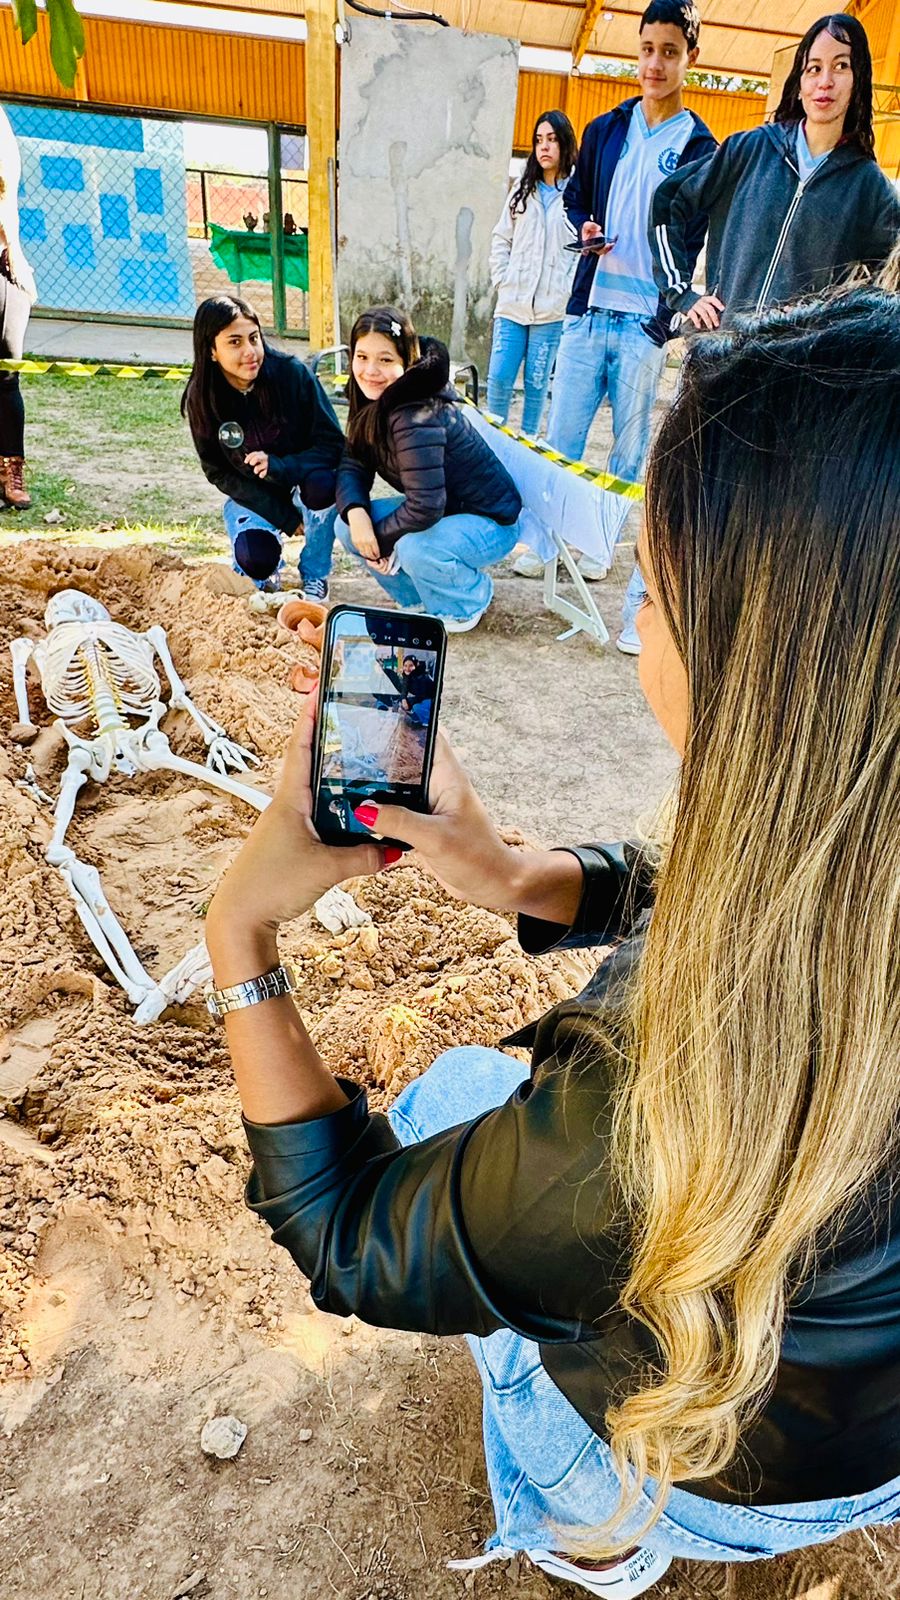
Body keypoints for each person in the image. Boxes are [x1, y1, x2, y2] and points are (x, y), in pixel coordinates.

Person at [204, 283, 900, 1598]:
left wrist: (238, 924)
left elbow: (346, 1236)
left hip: (700, 1469)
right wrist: (510, 871)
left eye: (653, 589)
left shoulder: (641, 1110)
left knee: (455, 1095)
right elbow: (739, 882)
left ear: (750, 659)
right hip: (876, 1455)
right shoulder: (861, 852)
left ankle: (601, 1532)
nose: (639, 619)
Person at [523, 0, 715, 655]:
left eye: (669, 50)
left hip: (642, 326)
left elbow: (689, 237)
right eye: (647, 50)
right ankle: (546, 548)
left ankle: (601, 551)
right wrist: (587, 230)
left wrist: (669, 313)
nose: (655, 64)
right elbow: (577, 200)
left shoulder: (700, 146)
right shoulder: (606, 129)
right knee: (561, 442)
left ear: (691, 56)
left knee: (629, 459)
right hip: (590, 309)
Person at [650, 12, 900, 335]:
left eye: (841, 66)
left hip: (794, 376)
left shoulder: (869, 188)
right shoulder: (749, 150)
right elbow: (668, 201)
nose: (825, 81)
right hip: (722, 360)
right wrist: (682, 293)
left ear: (858, 81)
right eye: (814, 68)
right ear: (799, 84)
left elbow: (889, 287)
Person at [333, 306, 523, 634]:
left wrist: (380, 538)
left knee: (414, 547)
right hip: (444, 509)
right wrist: (357, 513)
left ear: (407, 361)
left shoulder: (415, 413)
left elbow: (425, 505)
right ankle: (415, 599)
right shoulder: (370, 395)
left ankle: (470, 600)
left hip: (489, 521)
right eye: (362, 357)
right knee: (347, 527)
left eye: (385, 360)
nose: (370, 370)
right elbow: (354, 460)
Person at [182, 295, 344, 601]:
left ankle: (316, 572)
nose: (250, 352)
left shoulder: (292, 373)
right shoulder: (202, 396)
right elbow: (217, 471)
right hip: (256, 496)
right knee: (255, 560)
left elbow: (334, 445)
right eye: (234, 342)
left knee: (325, 484)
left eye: (253, 338)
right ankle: (267, 570)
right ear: (212, 351)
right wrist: (282, 516)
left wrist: (282, 466)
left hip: (305, 482)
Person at [487, 109, 579, 437]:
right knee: (498, 378)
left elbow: (582, 253)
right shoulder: (521, 191)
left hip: (550, 311)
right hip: (512, 305)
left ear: (565, 144)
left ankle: (527, 446)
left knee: (537, 384)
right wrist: (503, 279)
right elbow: (502, 238)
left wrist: (565, 291)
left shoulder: (577, 196)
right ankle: (493, 446)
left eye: (552, 140)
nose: (544, 147)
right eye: (539, 140)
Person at [0, 106, 37, 512]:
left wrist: (13, 250)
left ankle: (11, 471)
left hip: (3, 263)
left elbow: (4, 186)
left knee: (7, 373)